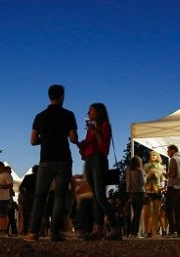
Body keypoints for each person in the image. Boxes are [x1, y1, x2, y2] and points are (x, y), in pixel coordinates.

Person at [27, 84, 78, 242]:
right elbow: (73, 138)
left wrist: (47, 138)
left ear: (49, 96)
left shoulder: (40, 116)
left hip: (46, 160)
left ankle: (33, 232)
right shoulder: (68, 115)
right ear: (62, 96)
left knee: (40, 196)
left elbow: (33, 141)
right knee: (60, 197)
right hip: (63, 159)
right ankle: (54, 233)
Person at [78, 102, 121, 240]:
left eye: (91, 111)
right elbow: (86, 151)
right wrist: (79, 144)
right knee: (96, 197)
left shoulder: (104, 126)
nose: (89, 113)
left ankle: (115, 228)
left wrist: (95, 131)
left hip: (99, 161)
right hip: (90, 161)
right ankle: (99, 229)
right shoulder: (90, 129)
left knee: (100, 197)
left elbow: (104, 148)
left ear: (99, 112)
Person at [165, 145, 180, 238]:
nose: (167, 153)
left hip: (173, 186)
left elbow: (172, 173)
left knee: (169, 208)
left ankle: (172, 230)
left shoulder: (173, 159)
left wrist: (165, 174)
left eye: (168, 151)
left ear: (172, 150)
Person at [142, 151, 165, 238]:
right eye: (151, 155)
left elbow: (162, 180)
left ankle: (154, 232)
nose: (152, 156)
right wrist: (149, 174)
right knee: (147, 213)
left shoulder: (161, 167)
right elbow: (143, 179)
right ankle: (146, 231)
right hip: (147, 191)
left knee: (156, 212)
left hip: (157, 191)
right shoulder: (146, 166)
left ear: (158, 156)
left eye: (154, 155)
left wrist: (161, 186)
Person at [0, 162, 14, 236]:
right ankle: (0, 230)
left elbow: (10, 185)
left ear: (2, 167)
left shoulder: (7, 175)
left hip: (3, 198)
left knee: (3, 215)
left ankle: (3, 230)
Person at [126, 156, 145, 237]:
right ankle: (135, 232)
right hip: (140, 192)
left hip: (132, 193)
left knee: (135, 213)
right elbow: (142, 183)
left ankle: (131, 232)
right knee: (138, 213)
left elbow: (128, 183)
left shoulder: (128, 170)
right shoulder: (140, 171)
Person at [19, 165, 37, 235]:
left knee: (26, 214)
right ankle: (35, 230)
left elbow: (21, 187)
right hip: (37, 197)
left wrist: (24, 194)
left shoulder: (28, 177)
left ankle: (25, 230)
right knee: (36, 214)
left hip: (28, 196)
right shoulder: (40, 178)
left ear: (32, 170)